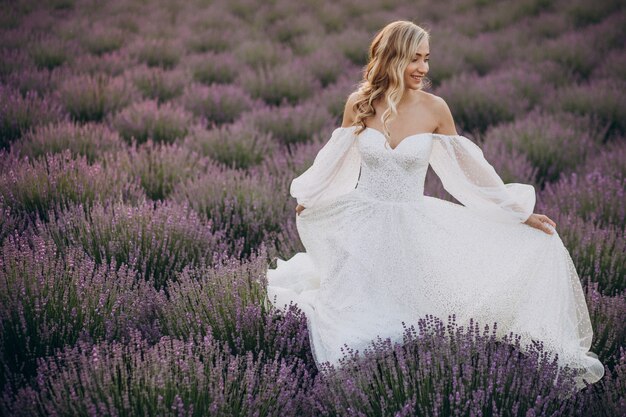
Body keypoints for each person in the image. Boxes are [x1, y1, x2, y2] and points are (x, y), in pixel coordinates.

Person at [265, 20, 604, 390]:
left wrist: (517, 213)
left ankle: (411, 381)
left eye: (426, 59)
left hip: (413, 222)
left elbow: (469, 171)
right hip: (363, 221)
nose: (423, 68)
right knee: (354, 321)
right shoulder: (360, 104)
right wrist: (313, 197)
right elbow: (335, 159)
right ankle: (368, 386)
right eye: (414, 58)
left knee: (413, 316)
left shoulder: (435, 108)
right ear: (391, 58)